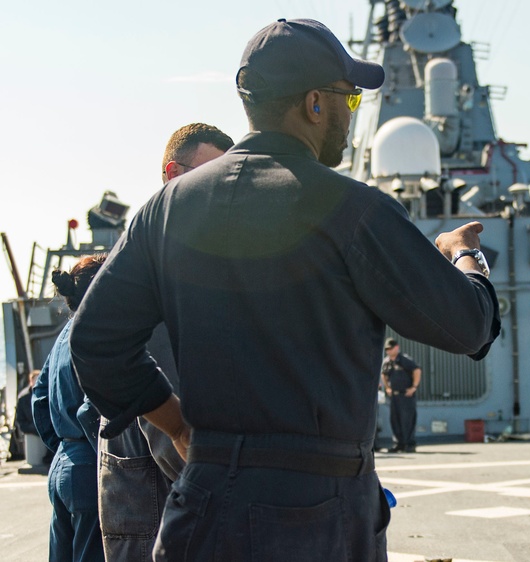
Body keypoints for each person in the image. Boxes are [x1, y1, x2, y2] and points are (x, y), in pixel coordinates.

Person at [70, 18, 499, 561]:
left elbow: (95, 343)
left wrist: (177, 425)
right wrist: (465, 255)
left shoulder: (168, 208)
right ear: (315, 104)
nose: (349, 118)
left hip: (200, 506)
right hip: (319, 511)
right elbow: (470, 327)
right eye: (350, 102)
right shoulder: (355, 210)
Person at [96, 122, 233, 562]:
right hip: (159, 504)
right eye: (211, 179)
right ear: (173, 175)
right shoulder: (157, 262)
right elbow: (169, 430)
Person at [31, 256, 107, 562]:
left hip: (62, 467)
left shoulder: (62, 337)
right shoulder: (97, 332)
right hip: (89, 469)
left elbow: (39, 397)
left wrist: (65, 446)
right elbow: (93, 408)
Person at [381, 338, 422, 453]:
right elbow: (383, 374)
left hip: (406, 395)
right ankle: (398, 444)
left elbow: (417, 370)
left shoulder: (404, 360)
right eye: (386, 349)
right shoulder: (386, 361)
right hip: (394, 396)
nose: (388, 351)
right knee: (395, 420)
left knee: (407, 420)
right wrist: (387, 388)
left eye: (390, 348)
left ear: (396, 347)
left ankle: (409, 444)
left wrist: (413, 387)